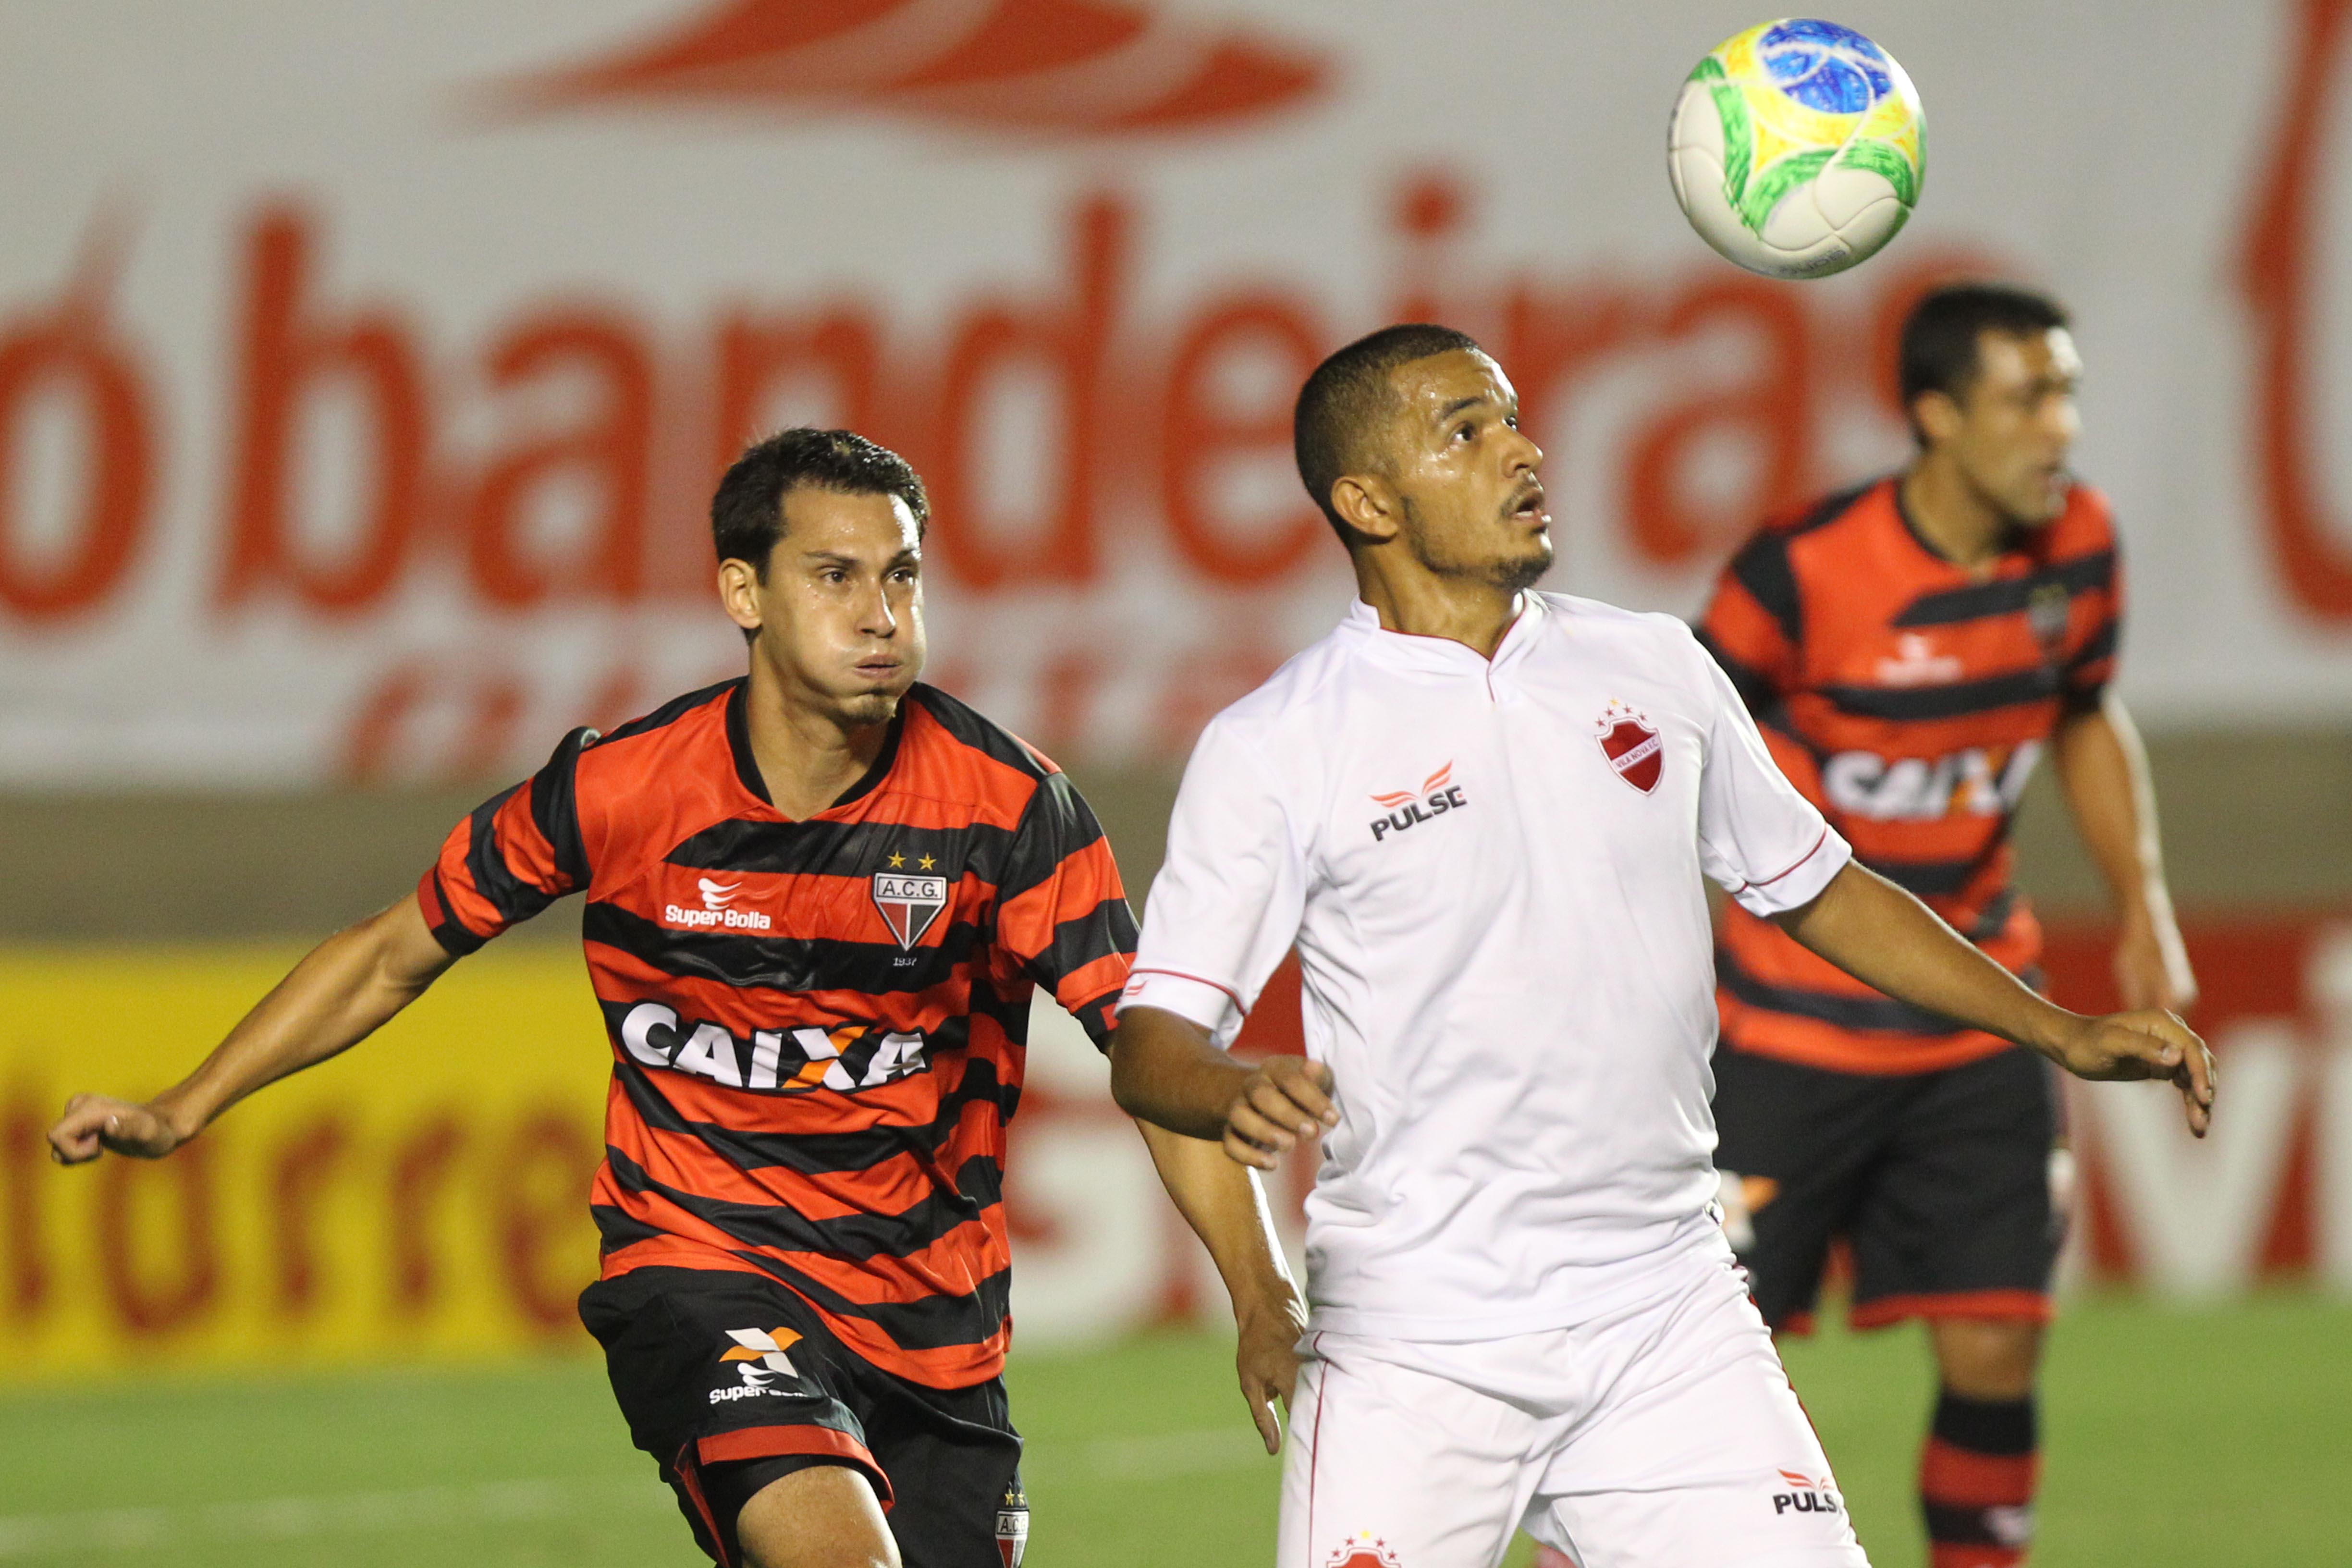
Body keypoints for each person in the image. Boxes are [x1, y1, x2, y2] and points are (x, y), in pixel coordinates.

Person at [47, 428, 1304, 1568]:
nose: (882, 614)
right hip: (703, 1270)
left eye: (904, 575)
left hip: (934, 1329)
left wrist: (1259, 1289)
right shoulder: (622, 789)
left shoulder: (1008, 808)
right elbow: (395, 950)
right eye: (837, 575)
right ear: (742, 595)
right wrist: (186, 1106)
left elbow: (1152, 1066)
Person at [1106, 324, 2212, 1568]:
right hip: (1422, 1334)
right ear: (1367, 500)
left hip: (1664, 1301)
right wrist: (1229, 1089)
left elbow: (1823, 891)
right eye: (1465, 431)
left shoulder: (1650, 665)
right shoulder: (1279, 744)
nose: (1522, 451)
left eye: (1514, 418)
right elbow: (1150, 1048)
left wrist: (2057, 1030)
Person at [1694, 282, 2197, 1568]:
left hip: (1977, 1023)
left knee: (1996, 1341)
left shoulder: (2077, 548)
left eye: (2067, 392)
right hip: (1786, 1038)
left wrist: (2142, 907)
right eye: (2030, 397)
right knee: (1690, 1376)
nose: (2062, 427)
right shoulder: (1799, 572)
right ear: (1935, 414)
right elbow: (1676, 747)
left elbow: (2085, 710)